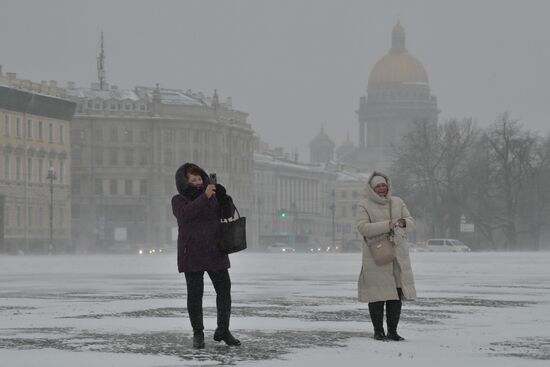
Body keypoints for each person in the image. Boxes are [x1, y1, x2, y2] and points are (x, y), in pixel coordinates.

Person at [172, 163, 240, 349]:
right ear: (184, 182)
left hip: (215, 251)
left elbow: (227, 214)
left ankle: (223, 330)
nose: (197, 182)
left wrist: (224, 198)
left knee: (224, 291)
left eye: (199, 178)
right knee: (195, 295)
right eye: (192, 180)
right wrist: (205, 196)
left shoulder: (211, 196)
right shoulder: (178, 200)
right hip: (192, 253)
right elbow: (186, 215)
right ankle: (198, 333)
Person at [356, 172, 416, 341]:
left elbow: (411, 221)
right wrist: (387, 225)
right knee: (377, 296)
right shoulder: (364, 205)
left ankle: (393, 331)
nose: (382, 189)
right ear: (372, 189)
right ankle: (378, 331)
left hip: (397, 254)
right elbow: (363, 228)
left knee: (396, 295)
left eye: (383, 185)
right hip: (377, 255)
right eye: (378, 186)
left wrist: (402, 222)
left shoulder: (397, 202)